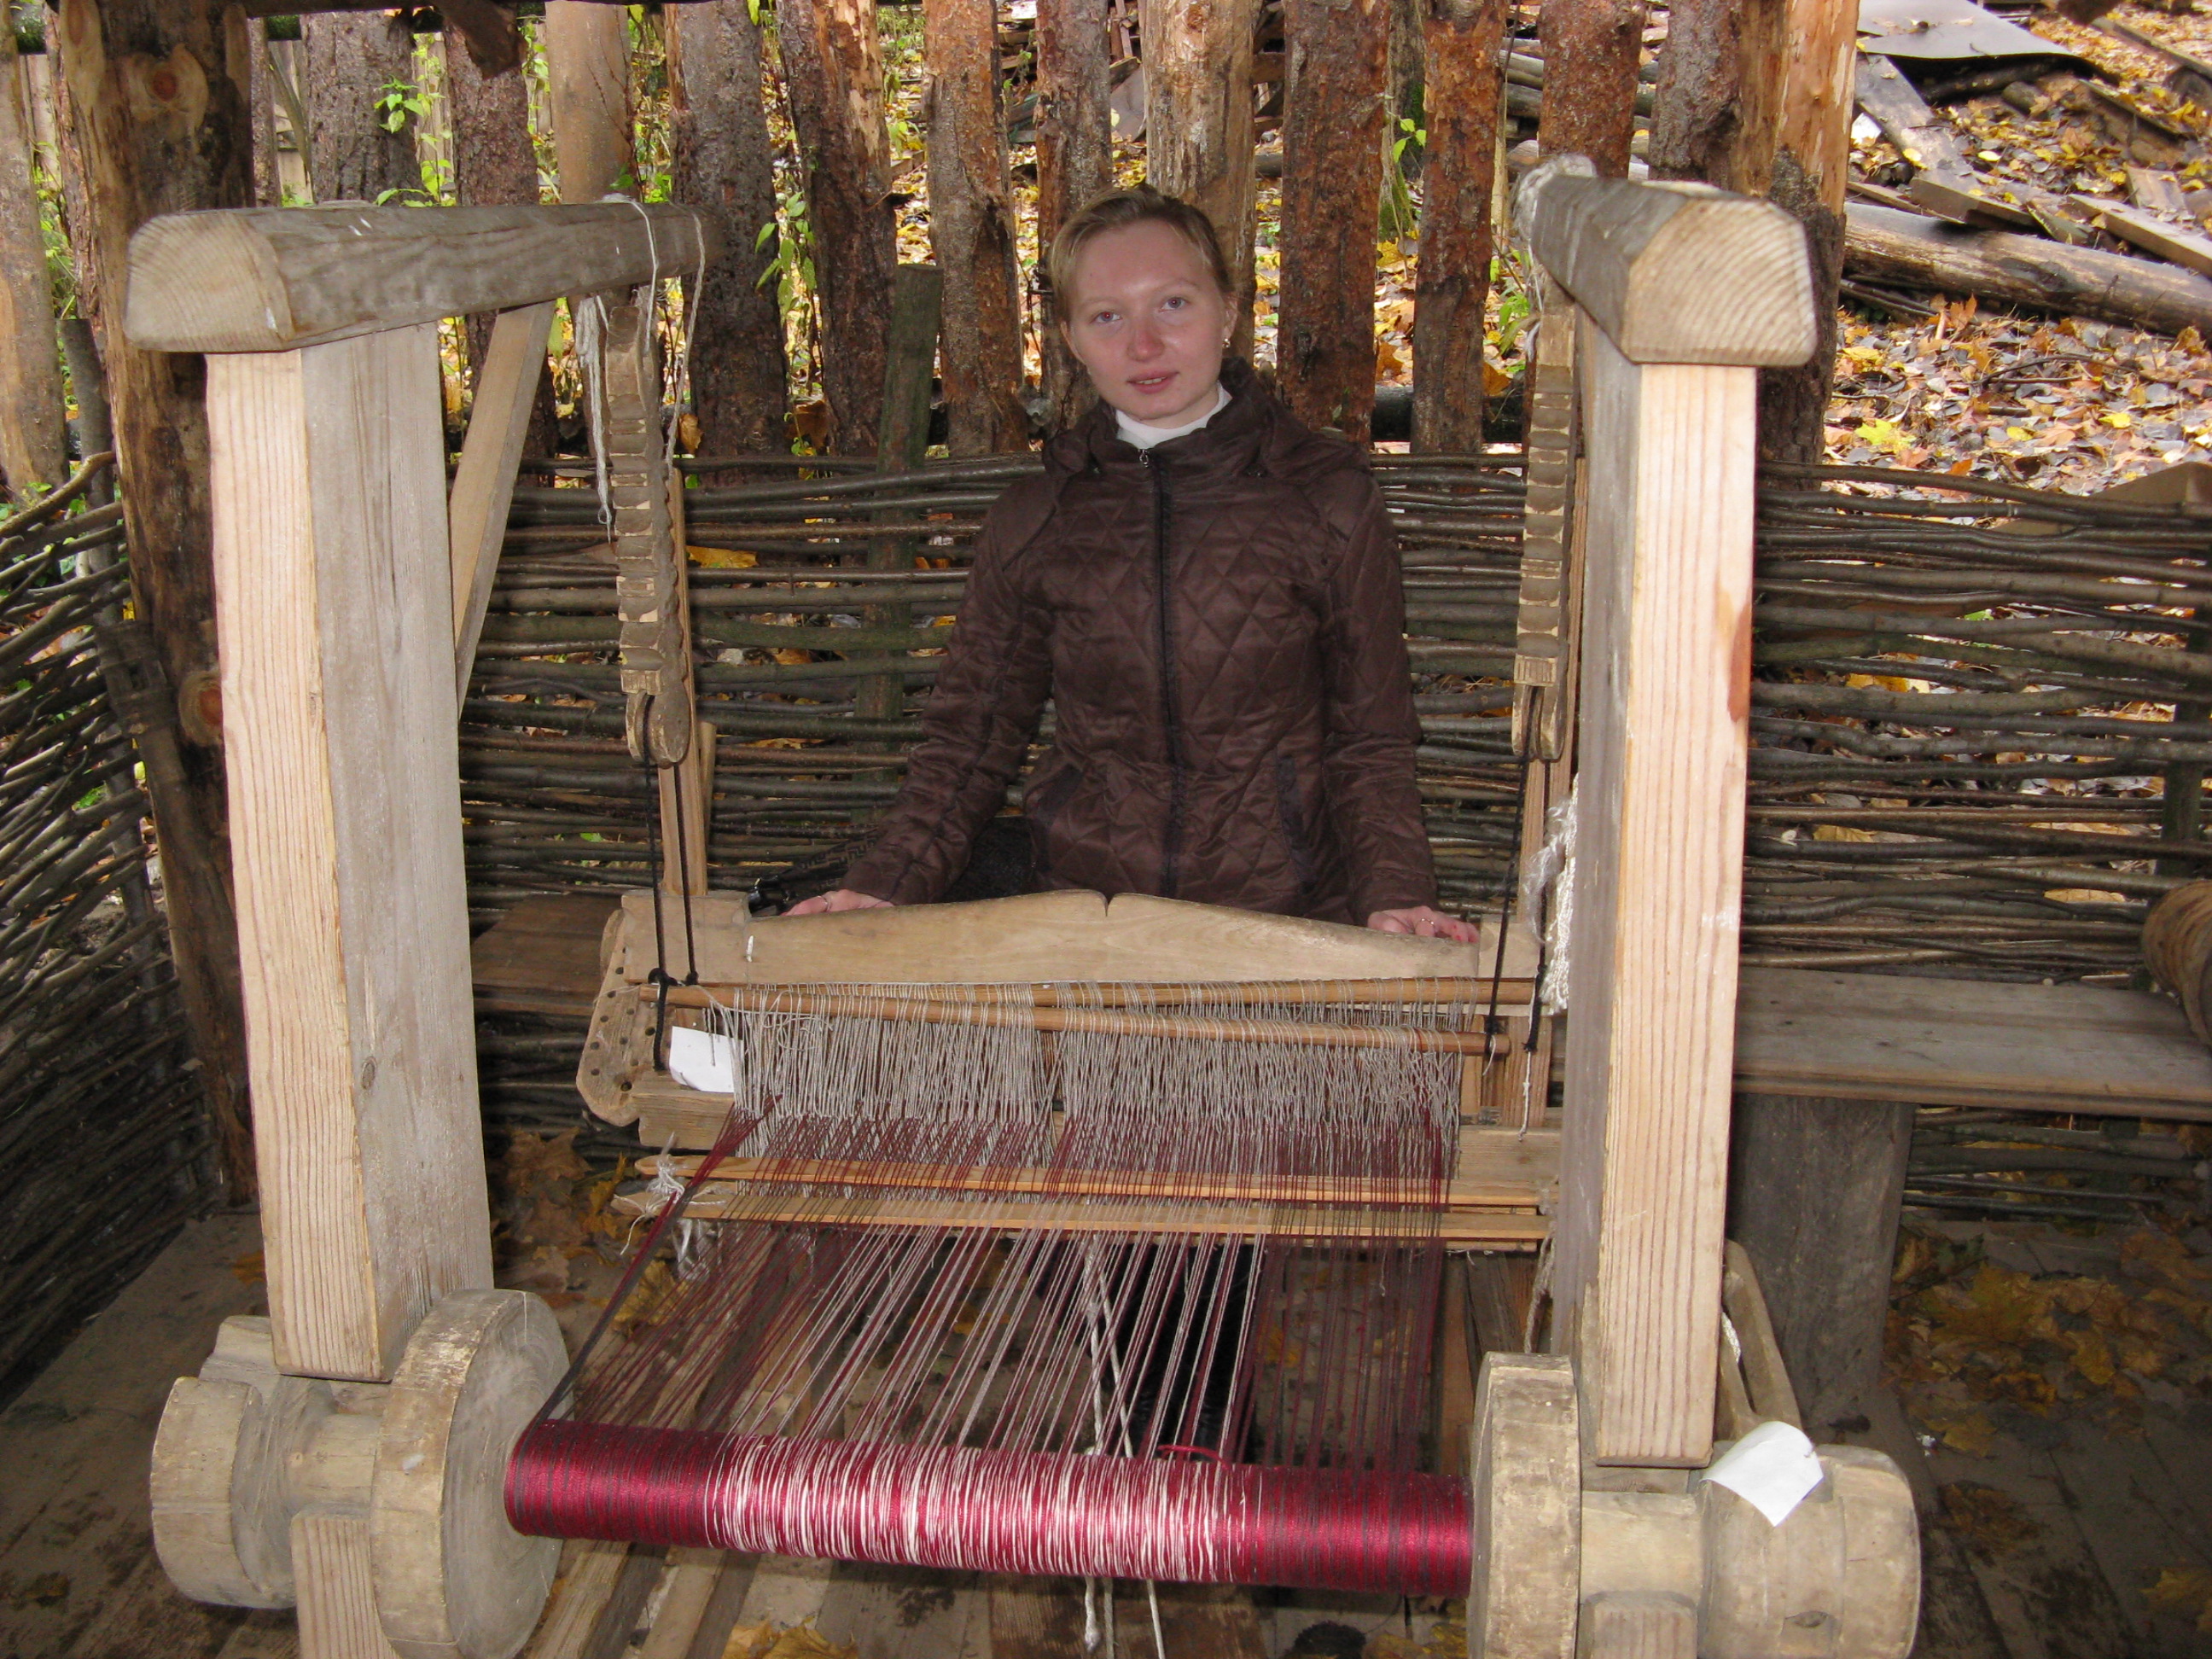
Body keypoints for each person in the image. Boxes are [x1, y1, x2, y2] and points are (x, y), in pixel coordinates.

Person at [789, 186, 1476, 943]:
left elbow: (1370, 735)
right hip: (1088, 919)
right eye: (1107, 317)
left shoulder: (1326, 500)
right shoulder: (1037, 518)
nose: (1143, 347)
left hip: (1289, 921)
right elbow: (971, 737)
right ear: (1071, 338)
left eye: (1173, 304)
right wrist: (886, 883)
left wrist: (1396, 893)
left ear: (1228, 311)